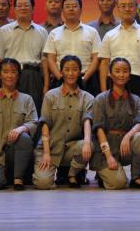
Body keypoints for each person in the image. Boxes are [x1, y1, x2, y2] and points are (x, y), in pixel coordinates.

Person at [33, 55, 94, 189]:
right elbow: (45, 125)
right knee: (42, 183)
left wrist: (87, 143)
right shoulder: (50, 96)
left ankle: (71, 174)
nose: (71, 73)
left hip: (71, 148)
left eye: (74, 69)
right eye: (67, 69)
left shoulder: (88, 98)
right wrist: (46, 153)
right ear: (61, 72)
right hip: (50, 147)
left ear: (80, 72)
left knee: (89, 144)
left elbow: (87, 121)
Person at [0, 58, 38, 190]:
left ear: (18, 75)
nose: (9, 75)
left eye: (13, 72)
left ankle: (18, 178)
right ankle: (5, 175)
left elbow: (33, 122)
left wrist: (21, 129)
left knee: (24, 137)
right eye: (5, 72)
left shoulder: (27, 99)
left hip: (17, 152)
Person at [90, 57, 140, 189]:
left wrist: (128, 136)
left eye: (125, 71)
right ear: (110, 74)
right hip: (106, 149)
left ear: (129, 75)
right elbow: (99, 129)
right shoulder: (100, 99)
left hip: (125, 147)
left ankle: (136, 176)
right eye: (117, 71)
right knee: (118, 183)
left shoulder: (136, 100)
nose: (121, 75)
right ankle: (103, 172)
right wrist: (108, 156)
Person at [0, 0, 48, 111]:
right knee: (9, 110)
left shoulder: (42, 31)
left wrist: (46, 85)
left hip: (33, 76)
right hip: (9, 76)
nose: (23, 8)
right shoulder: (3, 31)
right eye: (19, 6)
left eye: (26, 5)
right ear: (14, 9)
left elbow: (44, 61)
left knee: (32, 111)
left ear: (33, 8)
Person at [99, 0, 140, 100]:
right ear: (117, 8)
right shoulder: (109, 35)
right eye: (123, 6)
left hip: (139, 82)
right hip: (115, 83)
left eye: (131, 5)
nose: (127, 9)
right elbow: (104, 63)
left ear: (136, 8)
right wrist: (104, 91)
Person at [43, 0, 103, 95]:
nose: (71, 9)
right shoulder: (54, 33)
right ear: (62, 10)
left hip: (87, 80)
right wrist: (60, 78)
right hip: (61, 80)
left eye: (74, 6)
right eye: (67, 6)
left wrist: (84, 78)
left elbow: (96, 58)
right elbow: (50, 59)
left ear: (81, 10)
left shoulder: (92, 32)